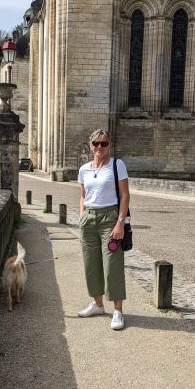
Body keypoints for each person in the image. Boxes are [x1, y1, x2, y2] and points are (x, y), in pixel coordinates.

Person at [78, 129, 130, 330]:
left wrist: (120, 222)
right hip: (89, 219)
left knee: (112, 264)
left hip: (110, 218)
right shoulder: (84, 169)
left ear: (109, 145)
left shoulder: (117, 165)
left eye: (104, 143)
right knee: (90, 264)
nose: (100, 147)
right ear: (90, 145)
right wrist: (82, 215)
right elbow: (83, 195)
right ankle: (98, 304)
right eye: (96, 143)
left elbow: (125, 195)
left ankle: (118, 311)